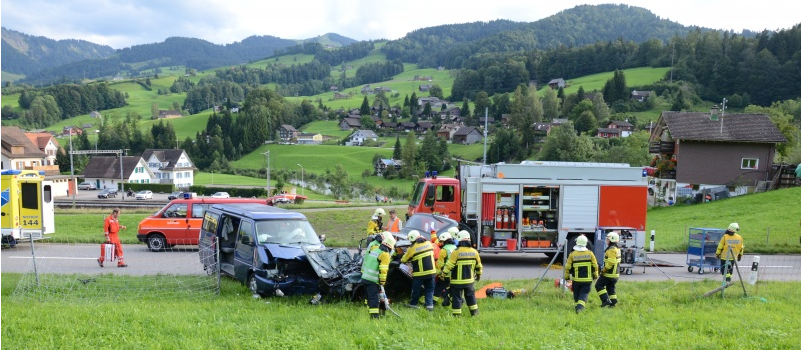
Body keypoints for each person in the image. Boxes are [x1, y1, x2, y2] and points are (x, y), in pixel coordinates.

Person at [441, 230, 482, 317]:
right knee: (471, 297)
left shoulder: (456, 252)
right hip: (469, 281)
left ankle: (456, 316)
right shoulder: (474, 252)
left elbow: (449, 265)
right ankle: (475, 314)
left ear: (459, 240)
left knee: (457, 298)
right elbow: (479, 266)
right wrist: (478, 275)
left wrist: (443, 274)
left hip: (457, 282)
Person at [400, 230, 437, 311]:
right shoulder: (428, 243)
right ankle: (429, 306)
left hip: (419, 274)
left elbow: (404, 260)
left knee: (416, 290)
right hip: (431, 272)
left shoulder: (412, 248)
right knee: (429, 289)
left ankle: (413, 304)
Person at [360, 235, 395, 319]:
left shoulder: (375, 250)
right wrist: (382, 282)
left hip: (365, 277)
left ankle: (370, 312)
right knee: (374, 299)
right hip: (373, 280)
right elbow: (383, 270)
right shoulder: (385, 254)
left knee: (369, 298)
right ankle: (374, 317)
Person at [564, 235, 598, 313]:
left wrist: (567, 277)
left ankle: (578, 307)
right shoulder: (590, 253)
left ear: (577, 243)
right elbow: (595, 266)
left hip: (576, 280)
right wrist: (595, 276)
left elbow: (567, 267)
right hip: (587, 280)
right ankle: (579, 307)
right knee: (584, 293)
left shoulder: (572, 254)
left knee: (576, 293)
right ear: (585, 243)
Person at [596, 231, 621, 308]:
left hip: (609, 274)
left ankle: (605, 300)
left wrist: (604, 270)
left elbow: (611, 262)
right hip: (615, 274)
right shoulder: (617, 249)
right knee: (610, 288)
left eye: (608, 239)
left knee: (598, 285)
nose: (606, 240)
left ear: (612, 240)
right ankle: (613, 303)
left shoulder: (611, 249)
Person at [435, 227, 459, 307]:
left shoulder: (444, 250)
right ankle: (448, 300)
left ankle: (433, 303)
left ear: (445, 241)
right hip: (455, 275)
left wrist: (436, 274)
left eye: (441, 241)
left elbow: (440, 264)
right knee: (452, 289)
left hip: (445, 275)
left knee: (438, 288)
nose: (441, 243)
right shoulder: (456, 248)